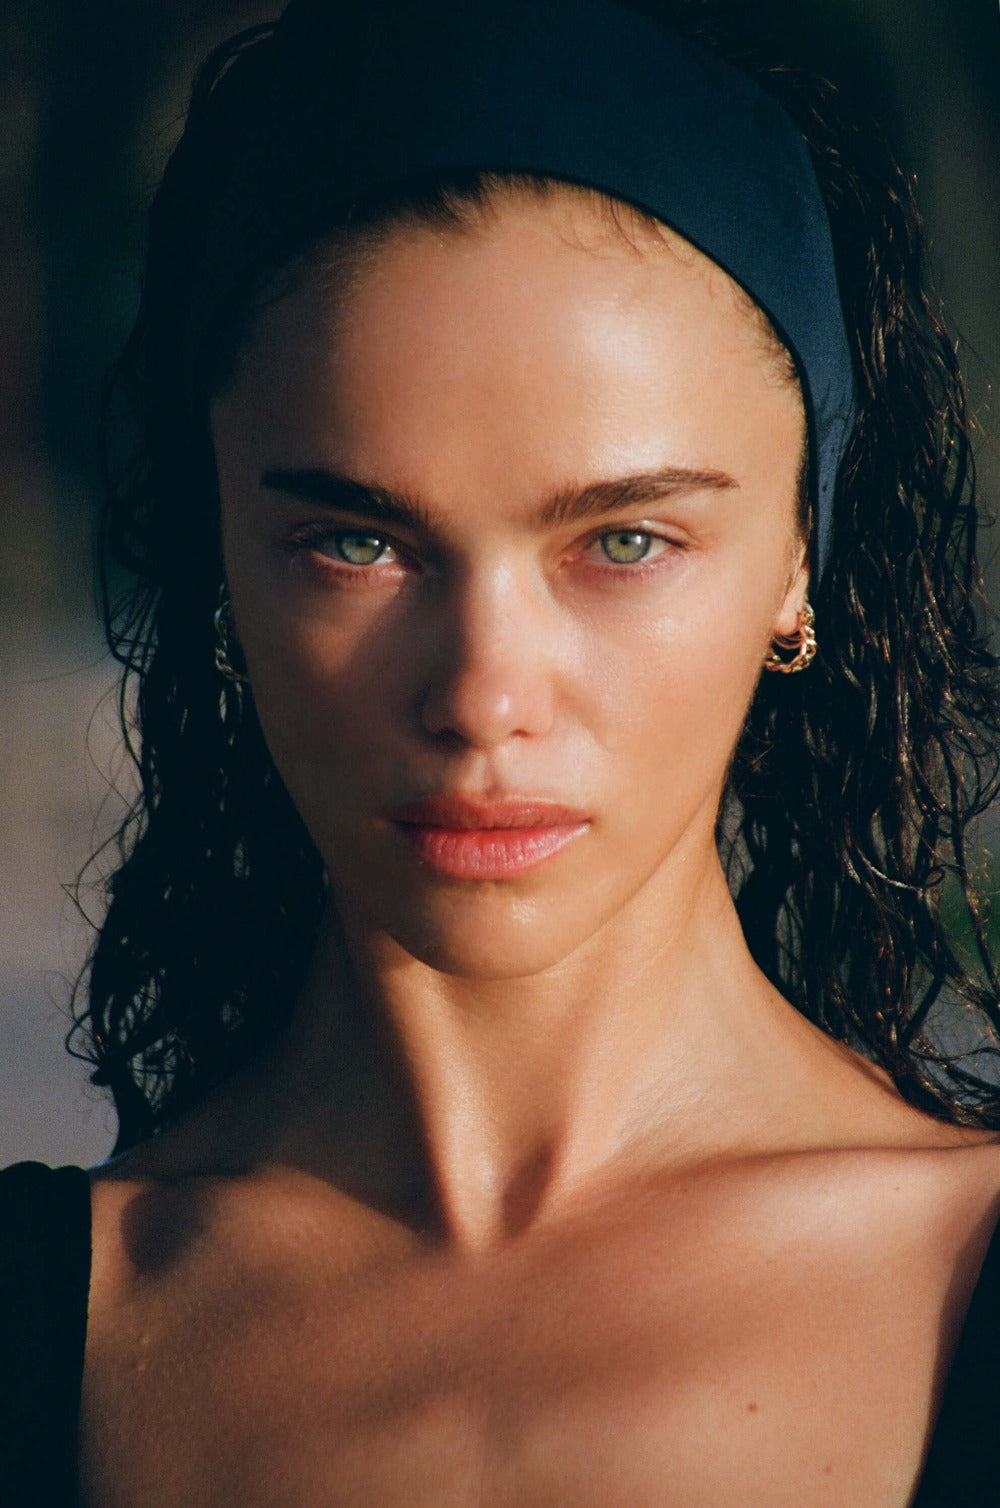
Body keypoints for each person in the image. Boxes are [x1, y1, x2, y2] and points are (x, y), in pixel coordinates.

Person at [3, 0, 1000, 1501]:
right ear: (217, 553)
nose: (482, 695)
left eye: (625, 540)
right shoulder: (48, 1333)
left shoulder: (968, 1284)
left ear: (801, 555)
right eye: (355, 539)